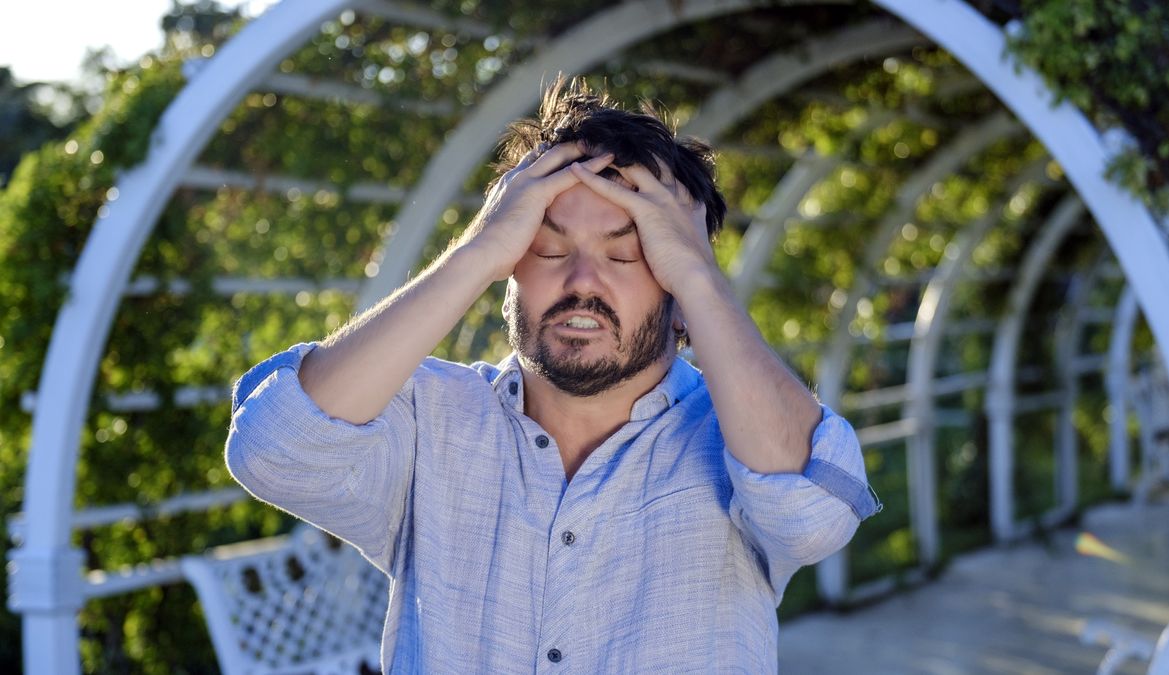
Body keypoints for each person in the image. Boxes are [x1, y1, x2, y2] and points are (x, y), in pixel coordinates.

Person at [225, 77, 881, 673]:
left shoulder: (738, 438)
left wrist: (700, 277)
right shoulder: (430, 419)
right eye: (546, 248)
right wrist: (476, 250)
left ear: (682, 290)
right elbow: (273, 448)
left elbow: (815, 513)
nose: (582, 281)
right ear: (509, 274)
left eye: (626, 255)